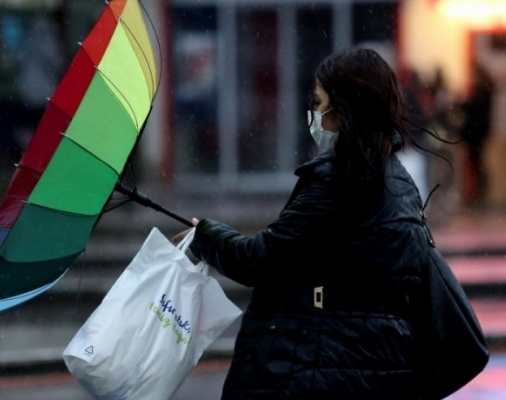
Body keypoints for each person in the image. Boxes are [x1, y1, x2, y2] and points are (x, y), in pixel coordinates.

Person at [173, 48, 445, 399]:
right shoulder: (398, 180)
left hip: (323, 365)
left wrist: (205, 235)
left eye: (318, 103)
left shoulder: (338, 180)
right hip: (383, 365)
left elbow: (261, 259)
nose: (313, 114)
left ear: (343, 111)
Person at [458, 62, 494, 206]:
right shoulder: (485, 89)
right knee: (477, 164)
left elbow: (475, 108)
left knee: (476, 165)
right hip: (477, 133)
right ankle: (478, 194)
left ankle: (477, 195)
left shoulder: (482, 91)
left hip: (475, 133)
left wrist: (464, 103)